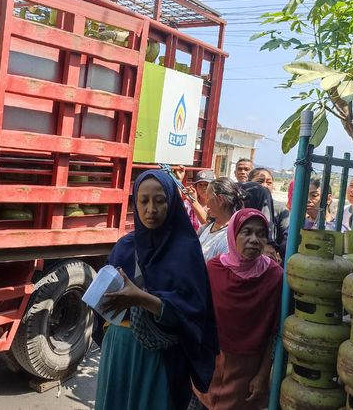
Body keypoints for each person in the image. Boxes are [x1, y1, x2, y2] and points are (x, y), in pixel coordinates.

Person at [94, 170, 219, 410]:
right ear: (135, 202)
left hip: (159, 359)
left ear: (172, 203)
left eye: (160, 201)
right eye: (143, 201)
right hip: (118, 351)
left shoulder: (185, 251)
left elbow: (193, 316)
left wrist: (142, 300)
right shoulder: (124, 246)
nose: (151, 209)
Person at [193, 208, 283, 410]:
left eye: (261, 234)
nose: (254, 240)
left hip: (248, 369)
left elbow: (274, 332)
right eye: (247, 232)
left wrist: (262, 375)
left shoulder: (274, 276)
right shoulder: (214, 269)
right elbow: (200, 317)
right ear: (233, 234)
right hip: (211, 361)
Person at [199, 177, 245, 261]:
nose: (207, 203)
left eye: (208, 198)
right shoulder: (207, 228)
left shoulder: (230, 237)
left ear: (220, 200)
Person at [249, 167, 289, 258]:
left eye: (269, 182)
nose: (265, 185)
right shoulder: (242, 205)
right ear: (249, 182)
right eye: (260, 181)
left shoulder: (281, 209)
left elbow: (286, 237)